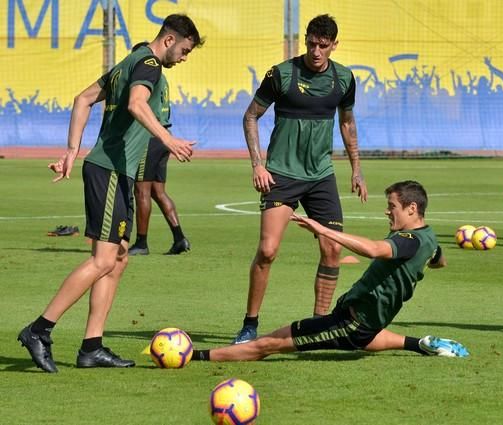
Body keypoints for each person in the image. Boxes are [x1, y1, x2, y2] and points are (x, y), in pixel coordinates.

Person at [17, 15, 204, 373]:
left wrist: (72, 150)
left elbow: (82, 99)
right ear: (169, 40)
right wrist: (169, 140)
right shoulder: (149, 65)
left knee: (118, 257)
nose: (184, 57)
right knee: (104, 260)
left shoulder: (126, 64)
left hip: (112, 171)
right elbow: (136, 104)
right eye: (184, 50)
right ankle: (39, 330)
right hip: (110, 171)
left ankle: (92, 347)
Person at [191, 181, 468, 361]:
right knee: (367, 335)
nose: (387, 212)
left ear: (412, 208)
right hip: (363, 322)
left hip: (351, 323)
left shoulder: (409, 241)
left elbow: (373, 249)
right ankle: (421, 344)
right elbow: (438, 260)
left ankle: (195, 356)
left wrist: (323, 229)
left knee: (268, 344)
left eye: (392, 206)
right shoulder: (429, 238)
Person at [234, 14, 367, 344]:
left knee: (333, 250)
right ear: (304, 39)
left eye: (323, 45)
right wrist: (257, 165)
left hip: (321, 175)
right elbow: (251, 116)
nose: (316, 51)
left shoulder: (344, 79)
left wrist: (357, 169)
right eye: (311, 43)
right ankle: (250, 324)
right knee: (267, 250)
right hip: (281, 173)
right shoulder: (282, 74)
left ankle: (319, 325)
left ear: (334, 45)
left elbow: (347, 123)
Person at [128, 48, 190, 256]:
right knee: (158, 192)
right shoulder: (161, 78)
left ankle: (141, 243)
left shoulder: (146, 77)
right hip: (164, 137)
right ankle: (179, 238)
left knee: (141, 190)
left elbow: (139, 106)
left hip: (149, 138)